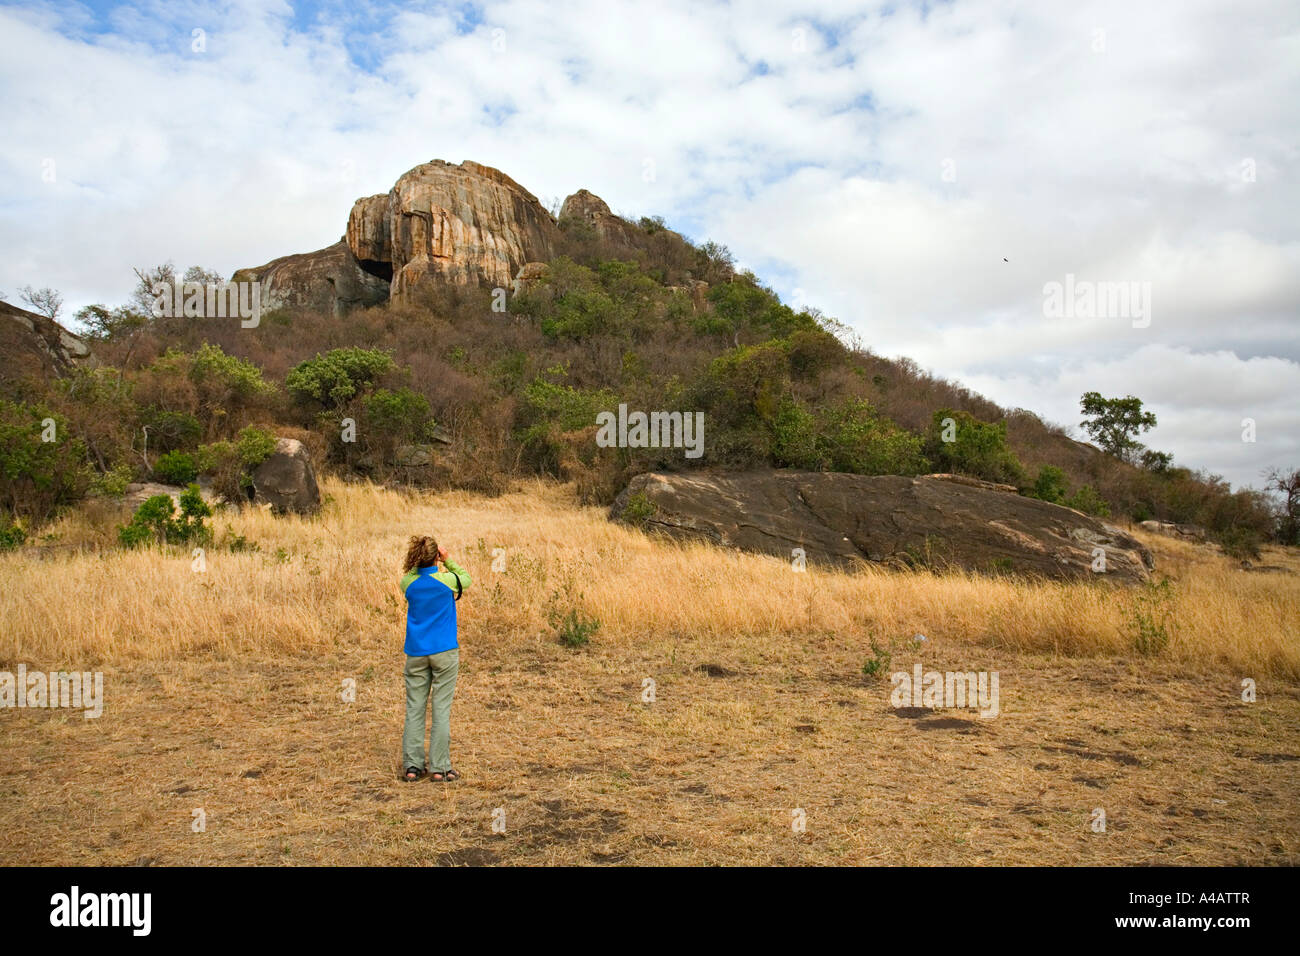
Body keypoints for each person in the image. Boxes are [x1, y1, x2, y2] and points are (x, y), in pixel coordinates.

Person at [399, 535, 471, 782]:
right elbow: (466, 579)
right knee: (441, 708)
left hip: (416, 652)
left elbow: (410, 576)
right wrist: (448, 560)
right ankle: (440, 767)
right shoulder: (447, 581)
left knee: (414, 708)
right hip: (444, 651)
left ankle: (412, 766)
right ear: (436, 556)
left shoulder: (408, 582)